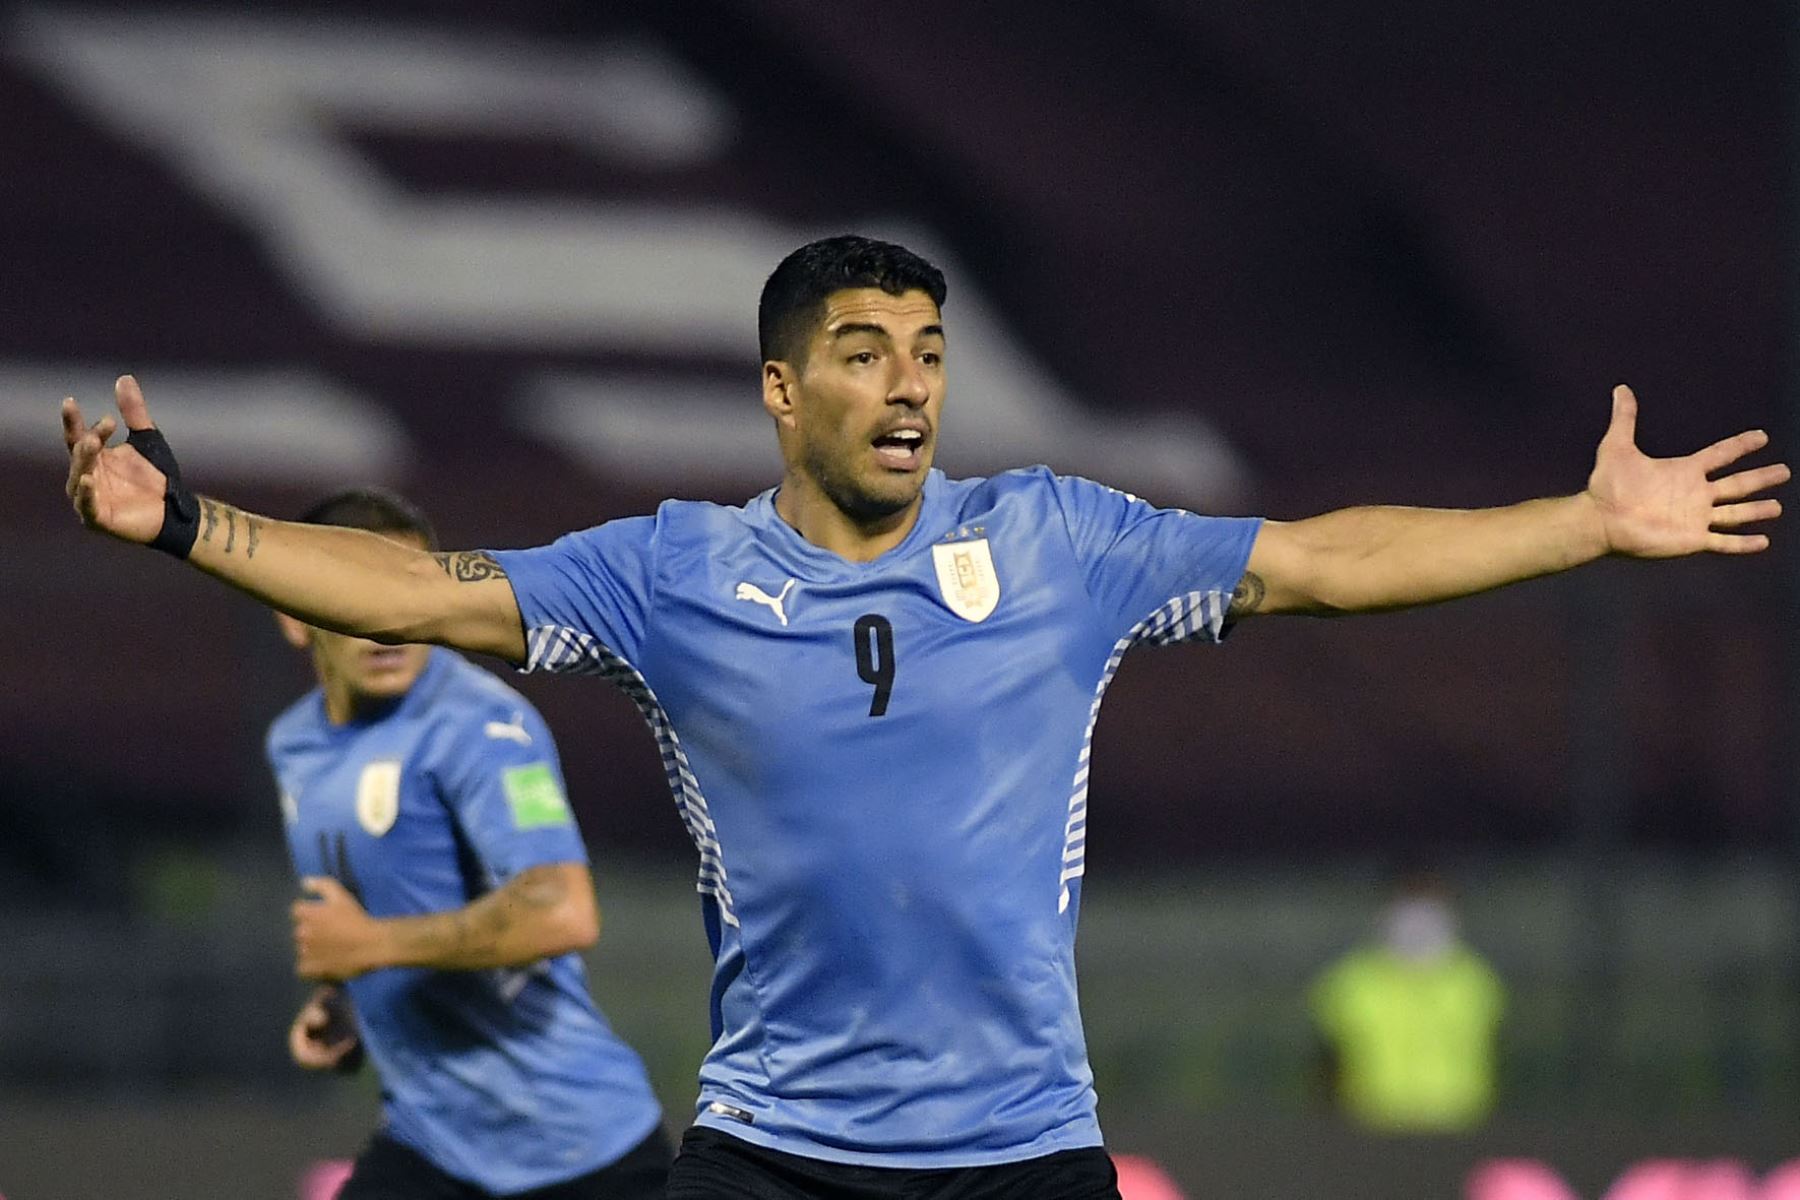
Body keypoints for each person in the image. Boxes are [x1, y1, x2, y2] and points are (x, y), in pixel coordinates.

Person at [60, 235, 1785, 1200]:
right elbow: (429, 594)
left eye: (932, 351)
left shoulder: (1060, 542)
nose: (910, 386)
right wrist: (188, 525)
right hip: (772, 1157)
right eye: (869, 350)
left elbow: (1325, 563)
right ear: (781, 386)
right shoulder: (667, 574)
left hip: (1026, 1152)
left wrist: (1582, 523)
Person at [263, 488, 670, 1200]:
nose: (388, 625)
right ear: (296, 614)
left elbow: (561, 911)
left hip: (574, 1153)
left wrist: (373, 948)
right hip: (433, 1142)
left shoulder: (481, 729)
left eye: (407, 593)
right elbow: (388, 902)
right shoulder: (293, 743)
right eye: (361, 595)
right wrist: (351, 999)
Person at [1310, 870, 1504, 1133]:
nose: (1418, 919)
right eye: (1410, 902)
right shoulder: (1350, 983)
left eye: (1430, 903)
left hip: (1461, 1133)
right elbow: (1324, 1068)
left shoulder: (1477, 982)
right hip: (1369, 1132)